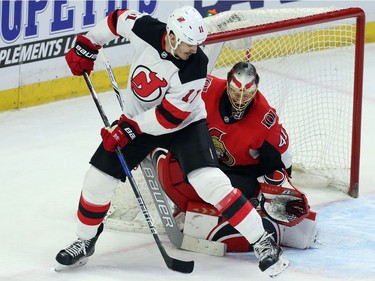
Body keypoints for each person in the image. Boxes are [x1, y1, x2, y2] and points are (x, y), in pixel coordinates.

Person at [55, 6, 288, 276]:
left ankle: (263, 242)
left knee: (210, 182)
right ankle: (85, 240)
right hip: (139, 120)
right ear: (173, 37)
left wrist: (129, 128)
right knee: (97, 179)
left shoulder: (194, 66)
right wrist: (89, 43)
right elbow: (117, 19)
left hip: (185, 125)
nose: (195, 50)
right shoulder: (145, 29)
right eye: (189, 44)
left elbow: (170, 118)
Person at [155, 61, 318, 252]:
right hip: (205, 160)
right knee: (171, 159)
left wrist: (280, 189)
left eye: (247, 94)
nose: (240, 100)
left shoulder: (264, 120)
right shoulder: (204, 89)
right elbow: (169, 101)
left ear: (256, 90)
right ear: (227, 84)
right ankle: (192, 209)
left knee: (228, 186)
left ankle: (251, 213)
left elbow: (282, 161)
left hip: (240, 174)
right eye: (235, 91)